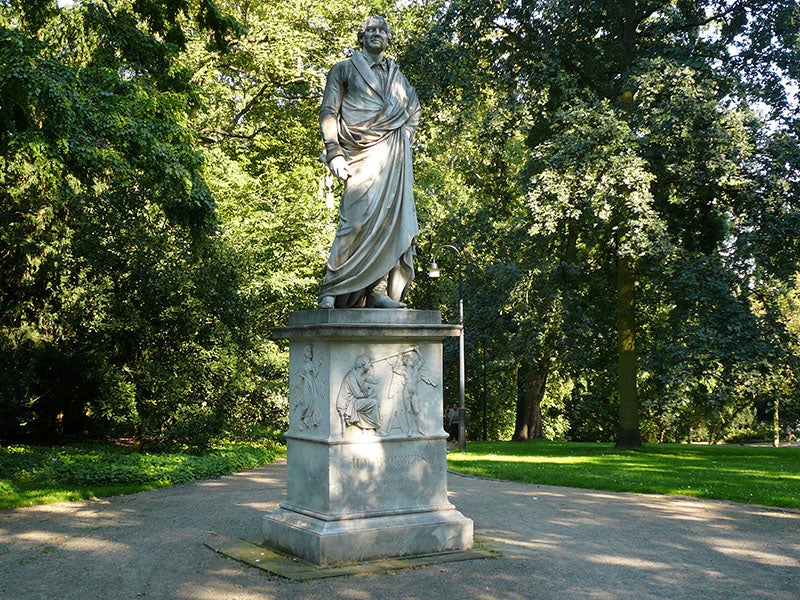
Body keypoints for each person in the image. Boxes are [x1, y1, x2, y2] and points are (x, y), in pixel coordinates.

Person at [317, 15, 421, 309]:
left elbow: (413, 109)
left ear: (389, 39)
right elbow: (328, 111)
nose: (377, 34)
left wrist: (404, 135)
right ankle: (331, 289)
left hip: (392, 157)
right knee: (354, 222)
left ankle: (377, 292)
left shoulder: (398, 77)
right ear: (361, 38)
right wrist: (334, 151)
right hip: (357, 155)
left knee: (390, 221)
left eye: (382, 31)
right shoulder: (344, 69)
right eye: (370, 30)